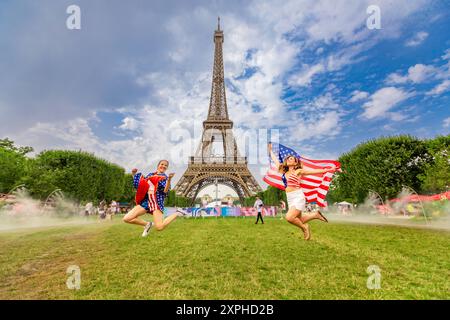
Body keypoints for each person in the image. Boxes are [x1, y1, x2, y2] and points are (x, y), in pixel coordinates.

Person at [268, 143, 336, 240]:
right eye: (288, 158)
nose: (289, 159)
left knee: (289, 217)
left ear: (296, 163)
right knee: (298, 219)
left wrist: (331, 169)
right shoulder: (283, 171)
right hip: (290, 197)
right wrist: (270, 151)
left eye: (292, 159)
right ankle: (315, 215)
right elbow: (275, 160)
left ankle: (305, 227)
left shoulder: (298, 171)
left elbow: (317, 171)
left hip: (298, 196)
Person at [122, 160, 185, 237]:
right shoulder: (150, 175)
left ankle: (177, 213)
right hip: (146, 201)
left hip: (156, 203)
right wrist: (134, 174)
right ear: (158, 165)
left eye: (166, 165)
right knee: (126, 218)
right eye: (162, 164)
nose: (164, 166)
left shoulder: (164, 177)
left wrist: (169, 180)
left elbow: (165, 191)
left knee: (159, 227)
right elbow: (141, 184)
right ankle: (147, 224)